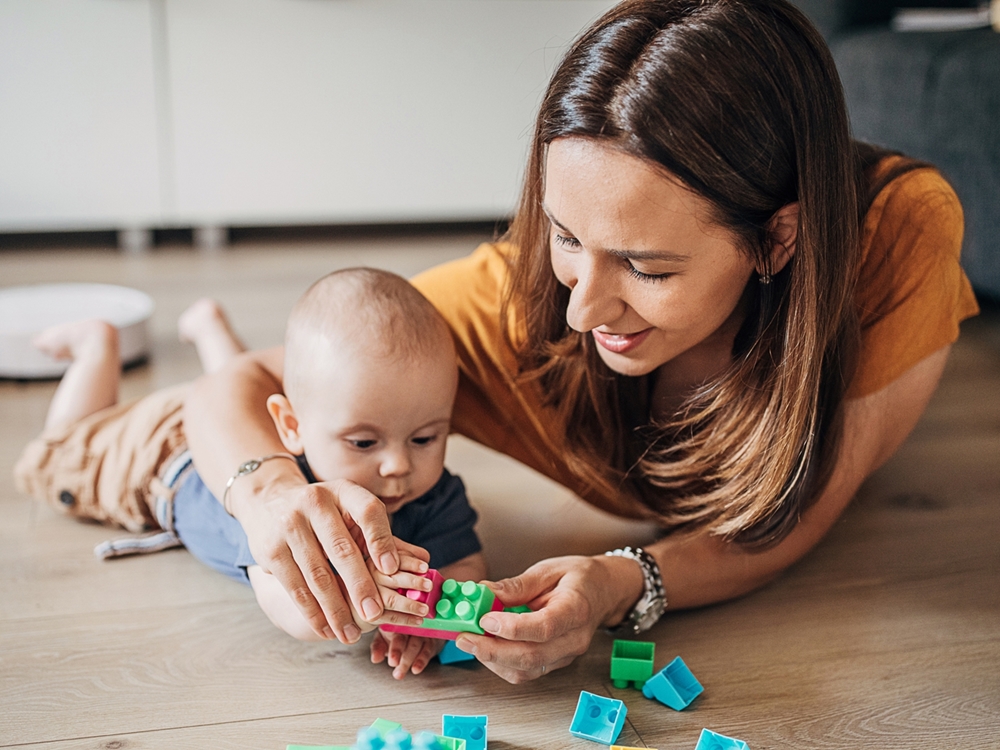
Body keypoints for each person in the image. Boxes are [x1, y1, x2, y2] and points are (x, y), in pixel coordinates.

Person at [181, 0, 980, 683]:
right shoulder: (517, 306)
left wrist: (620, 582)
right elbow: (243, 386)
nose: (581, 311)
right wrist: (268, 495)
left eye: (644, 266)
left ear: (778, 240)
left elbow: (802, 504)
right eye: (565, 236)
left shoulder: (897, 234)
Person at [14, 269, 487, 680]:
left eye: (425, 438)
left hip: (248, 422)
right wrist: (371, 607)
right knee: (62, 451)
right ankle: (96, 348)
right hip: (157, 458)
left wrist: (427, 623)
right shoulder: (290, 505)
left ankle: (209, 330)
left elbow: (463, 563)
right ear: (292, 428)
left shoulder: (434, 492)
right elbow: (286, 603)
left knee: (245, 395)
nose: (398, 466)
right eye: (364, 442)